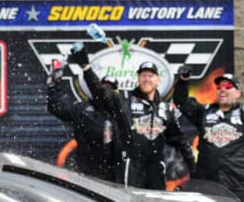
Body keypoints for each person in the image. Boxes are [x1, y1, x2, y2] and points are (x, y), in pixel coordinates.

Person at [70, 45, 195, 190]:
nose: (146, 79)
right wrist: (86, 69)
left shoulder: (165, 108)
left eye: (150, 75)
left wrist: (192, 165)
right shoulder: (125, 99)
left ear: (158, 79)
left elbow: (179, 139)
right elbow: (101, 92)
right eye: (143, 75)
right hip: (132, 166)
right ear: (138, 79)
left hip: (156, 167)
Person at [174, 65, 244, 202]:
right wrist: (183, 80)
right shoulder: (204, 112)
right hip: (207, 185)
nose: (222, 90)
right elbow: (181, 102)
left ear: (238, 93)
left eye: (228, 86)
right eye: (219, 87)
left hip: (239, 186)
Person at [46, 60, 123, 182]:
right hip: (86, 174)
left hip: (117, 177)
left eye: (111, 89)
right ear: (97, 90)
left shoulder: (124, 113)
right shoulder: (83, 109)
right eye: (104, 88)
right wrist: (55, 84)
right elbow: (57, 107)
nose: (107, 92)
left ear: (117, 93)